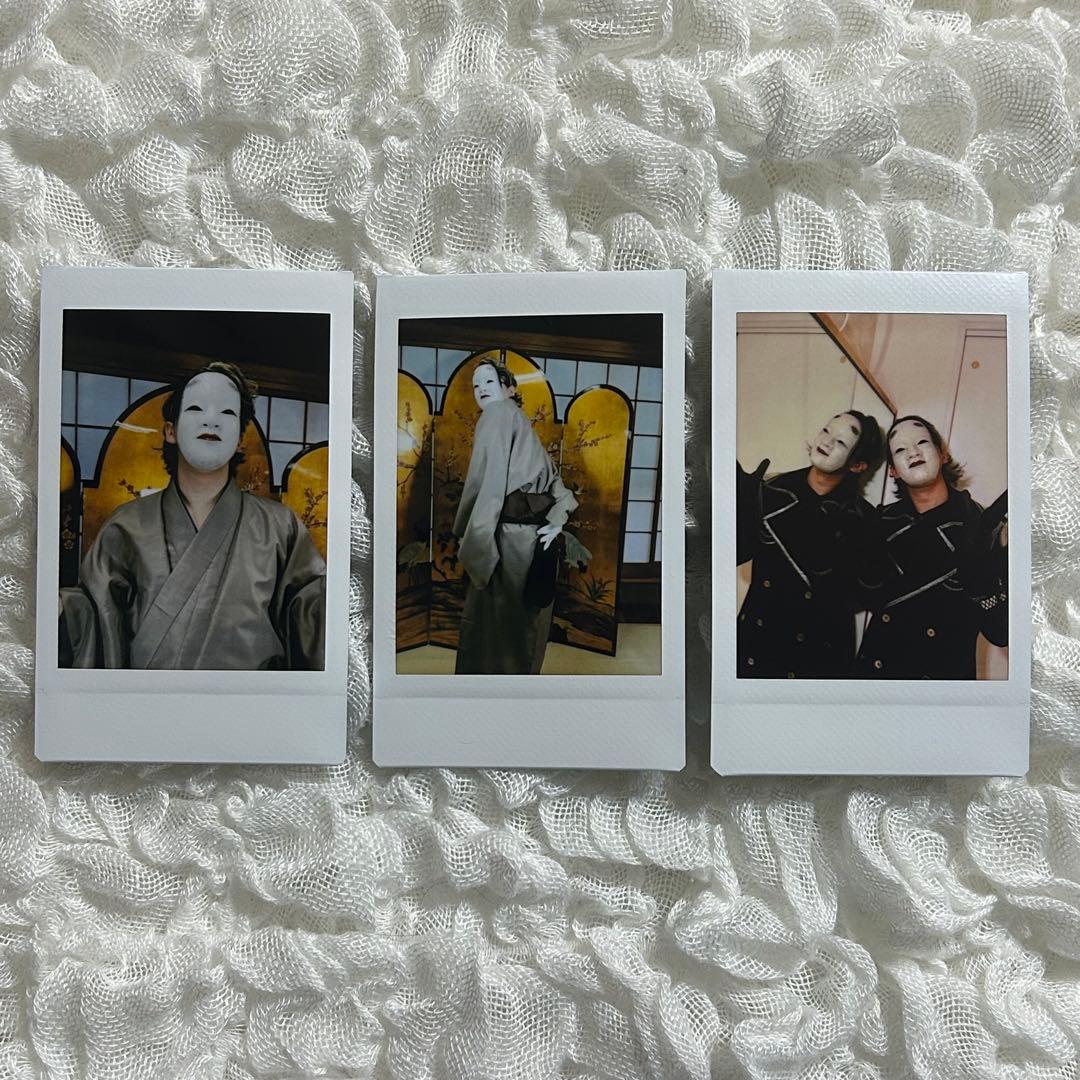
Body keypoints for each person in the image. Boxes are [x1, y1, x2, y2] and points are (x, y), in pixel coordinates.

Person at [59, 361, 326, 670]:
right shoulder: (127, 524)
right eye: (196, 409)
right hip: (150, 697)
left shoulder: (280, 526)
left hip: (249, 697)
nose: (211, 421)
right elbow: (95, 611)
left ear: (240, 439)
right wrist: (64, 610)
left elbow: (311, 615)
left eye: (227, 413)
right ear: (170, 431)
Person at [855, 415, 1007, 679]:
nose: (913, 452)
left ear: (943, 454)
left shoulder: (983, 526)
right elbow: (857, 598)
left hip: (942, 684)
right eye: (900, 449)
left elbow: (1001, 632)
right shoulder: (878, 523)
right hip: (876, 678)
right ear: (893, 470)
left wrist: (983, 586)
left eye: (922, 442)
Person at [737, 410, 884, 678]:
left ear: (858, 465)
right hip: (759, 639)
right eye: (827, 430)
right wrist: (741, 504)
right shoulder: (772, 490)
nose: (827, 441)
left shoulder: (864, 519)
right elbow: (738, 554)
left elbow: (868, 594)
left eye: (841, 442)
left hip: (820, 650)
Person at [453, 361, 577, 674]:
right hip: (537, 540)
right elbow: (560, 490)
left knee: (495, 626)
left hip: (507, 540)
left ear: (509, 389)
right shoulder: (522, 424)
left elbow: (487, 482)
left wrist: (472, 537)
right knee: (525, 625)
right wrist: (557, 520)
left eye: (488, 382)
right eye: (476, 385)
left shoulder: (496, 413)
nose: (481, 390)